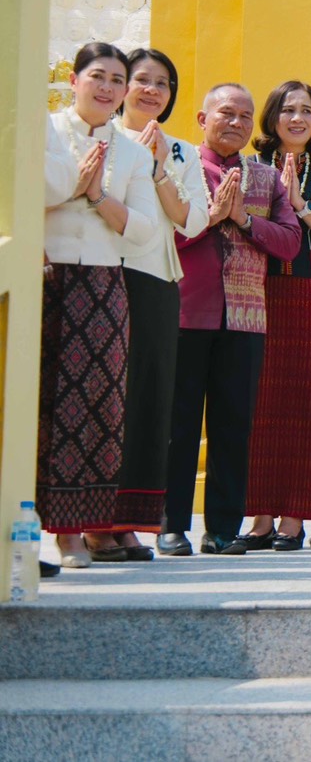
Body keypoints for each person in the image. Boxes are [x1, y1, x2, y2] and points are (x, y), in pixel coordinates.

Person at [160, 84, 301, 556]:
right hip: (185, 310)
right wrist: (209, 218)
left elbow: (289, 244)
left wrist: (242, 220)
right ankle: (171, 525)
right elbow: (158, 236)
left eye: (245, 116)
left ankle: (222, 529)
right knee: (178, 425)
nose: (237, 123)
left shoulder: (266, 177)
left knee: (233, 426)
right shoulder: (178, 166)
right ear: (203, 119)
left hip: (245, 317)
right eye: (226, 113)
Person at [40, 43, 157, 568]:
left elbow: (144, 230)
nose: (107, 87)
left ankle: (76, 530)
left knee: (95, 408)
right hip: (45, 276)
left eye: (117, 79)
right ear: (74, 79)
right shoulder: (45, 130)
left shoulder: (132, 152)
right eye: (97, 76)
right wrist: (73, 181)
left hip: (105, 285)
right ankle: (32, 528)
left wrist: (94, 198)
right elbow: (30, 190)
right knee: (40, 403)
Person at [239, 81, 311, 551]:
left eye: (307, 110)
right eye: (288, 110)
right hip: (259, 292)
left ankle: (294, 518)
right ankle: (260, 517)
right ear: (272, 118)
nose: (297, 118)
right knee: (261, 406)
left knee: (310, 408)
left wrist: (301, 206)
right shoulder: (250, 168)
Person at [110, 49, 208, 561]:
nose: (151, 90)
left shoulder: (182, 152)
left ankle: (127, 522)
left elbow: (193, 221)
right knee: (105, 398)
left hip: (156, 279)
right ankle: (91, 519)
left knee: (148, 401)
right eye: (142, 80)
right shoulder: (101, 137)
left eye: (163, 83)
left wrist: (159, 167)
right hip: (103, 272)